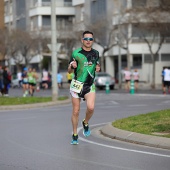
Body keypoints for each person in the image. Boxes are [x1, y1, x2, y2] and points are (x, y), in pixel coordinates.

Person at [68, 31, 100, 145]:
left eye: (90, 39)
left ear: (93, 41)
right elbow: (69, 69)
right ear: (82, 40)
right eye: (86, 39)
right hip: (77, 85)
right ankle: (75, 134)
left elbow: (97, 64)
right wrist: (72, 66)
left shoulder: (96, 53)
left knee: (90, 108)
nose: (88, 41)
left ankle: (85, 122)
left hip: (89, 85)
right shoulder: (76, 53)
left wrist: (97, 67)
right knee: (76, 111)